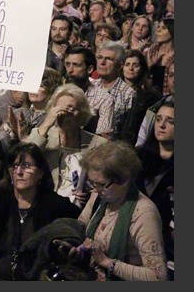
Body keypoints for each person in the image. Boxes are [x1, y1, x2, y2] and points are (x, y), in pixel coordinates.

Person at [0, 143, 81, 280]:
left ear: (40, 173)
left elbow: (78, 226)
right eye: (14, 166)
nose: (18, 171)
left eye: (26, 165)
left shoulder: (55, 204)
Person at [65, 142, 167, 281]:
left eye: (101, 184)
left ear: (125, 179)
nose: (95, 189)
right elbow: (82, 229)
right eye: (92, 183)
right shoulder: (99, 197)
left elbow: (158, 277)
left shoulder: (143, 213)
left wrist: (107, 262)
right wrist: (77, 250)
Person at [135, 101, 174, 277]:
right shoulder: (137, 156)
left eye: (171, 121)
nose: (162, 125)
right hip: (135, 229)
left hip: (166, 238)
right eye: (158, 119)